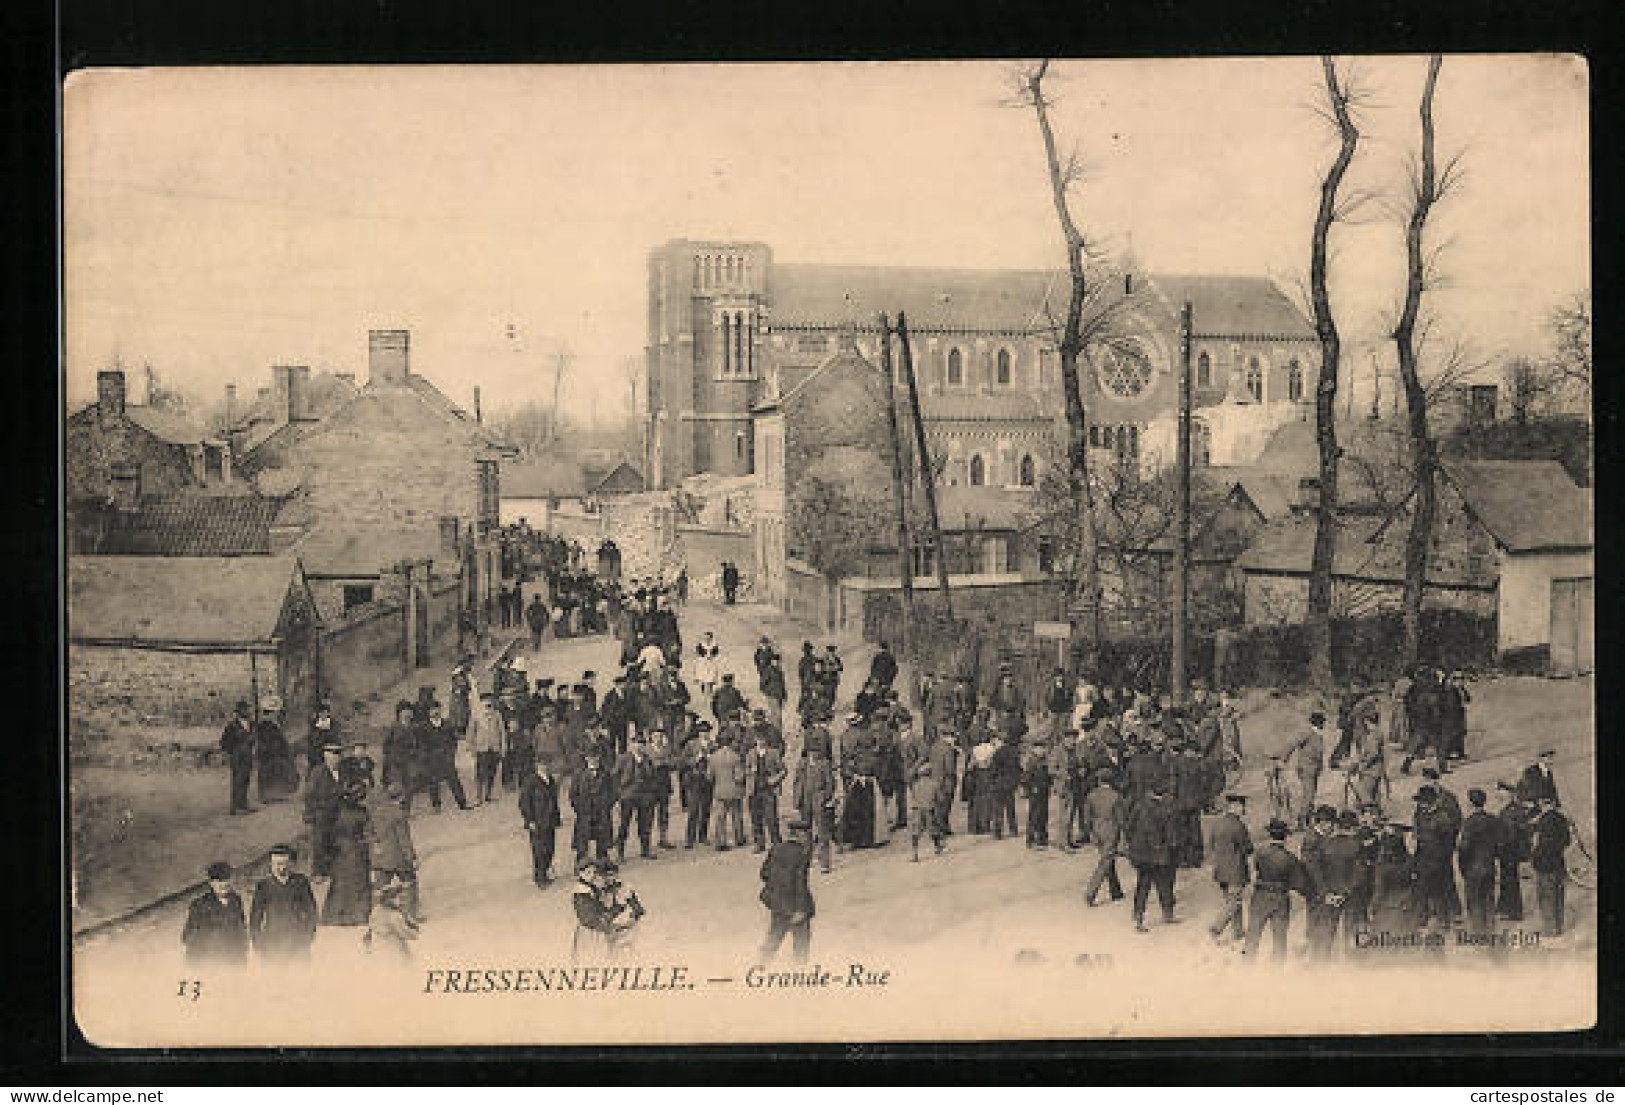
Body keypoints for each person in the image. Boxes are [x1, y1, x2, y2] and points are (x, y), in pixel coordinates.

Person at [1243, 819, 1313, 962]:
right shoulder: (1290, 858)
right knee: (1280, 938)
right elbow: (1299, 883)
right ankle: (1277, 970)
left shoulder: (1260, 853)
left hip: (1260, 896)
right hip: (1280, 899)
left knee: (1253, 934)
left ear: (1270, 835)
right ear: (1285, 837)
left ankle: (1247, 965)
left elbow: (1257, 869)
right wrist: (1309, 892)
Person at [248, 843, 319, 966]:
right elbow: (255, 918)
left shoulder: (300, 882)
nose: (281, 868)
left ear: (290, 863)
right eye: (277, 864)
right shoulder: (263, 886)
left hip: (298, 942)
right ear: (271, 863)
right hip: (272, 942)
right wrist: (258, 943)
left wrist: (308, 935)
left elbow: (311, 911)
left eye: (284, 864)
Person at [1124, 780, 1179, 932]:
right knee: (1164, 884)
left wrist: (1133, 844)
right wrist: (1173, 847)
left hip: (1140, 854)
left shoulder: (1138, 806)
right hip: (1158, 854)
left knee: (1142, 885)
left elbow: (1128, 828)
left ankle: (1138, 916)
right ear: (1163, 794)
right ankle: (1168, 914)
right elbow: (1171, 836)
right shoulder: (1165, 810)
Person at [757, 819, 815, 964]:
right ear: (800, 834)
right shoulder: (801, 854)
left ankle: (761, 966)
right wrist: (801, 909)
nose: (808, 838)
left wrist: (778, 886)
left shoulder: (776, 848)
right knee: (802, 943)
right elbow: (800, 883)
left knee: (773, 938)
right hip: (795, 905)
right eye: (807, 835)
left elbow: (764, 873)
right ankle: (800, 974)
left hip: (777, 903)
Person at [367, 781, 422, 925]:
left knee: (379, 887)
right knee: (410, 883)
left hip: (380, 857)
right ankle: (411, 915)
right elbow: (404, 839)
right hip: (398, 858)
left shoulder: (376, 812)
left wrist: (376, 847)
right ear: (402, 797)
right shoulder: (399, 814)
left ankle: (374, 916)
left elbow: (369, 833)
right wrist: (411, 857)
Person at [322, 784, 374, 926]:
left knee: (339, 883)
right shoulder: (362, 813)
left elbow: (327, 833)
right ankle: (358, 915)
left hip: (339, 851)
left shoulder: (337, 811)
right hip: (356, 850)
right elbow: (369, 833)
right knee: (359, 882)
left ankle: (335, 916)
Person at [1456, 787, 1505, 936]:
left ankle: (1478, 933)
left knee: (1474, 901)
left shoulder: (1469, 824)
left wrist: (1463, 868)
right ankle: (1490, 930)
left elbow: (1464, 849)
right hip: (1489, 865)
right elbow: (1501, 842)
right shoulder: (1493, 820)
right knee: (1489, 899)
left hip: (1473, 869)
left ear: (1471, 804)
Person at [571, 861, 644, 961]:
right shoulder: (590, 892)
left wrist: (633, 916)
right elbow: (594, 918)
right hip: (597, 931)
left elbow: (638, 909)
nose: (610, 879)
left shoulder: (622, 888)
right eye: (606, 876)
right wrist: (617, 908)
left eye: (613, 875)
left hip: (615, 929)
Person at [182, 862, 249, 968]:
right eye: (219, 881)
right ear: (211, 883)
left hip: (234, 962)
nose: (223, 884)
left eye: (226, 880)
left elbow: (241, 930)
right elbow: (187, 937)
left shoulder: (236, 900)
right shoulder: (199, 905)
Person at [1207, 794, 1253, 946]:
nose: (1244, 809)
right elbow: (1247, 848)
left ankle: (1238, 932)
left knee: (1231, 900)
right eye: (1242, 807)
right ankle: (1216, 928)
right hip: (1235, 870)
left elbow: (1211, 845)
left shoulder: (1217, 823)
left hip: (1220, 870)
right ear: (1235, 807)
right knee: (1234, 903)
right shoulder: (1238, 826)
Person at [614, 737, 662, 862]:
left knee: (645, 824)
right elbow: (614, 776)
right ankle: (620, 853)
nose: (639, 746)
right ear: (631, 745)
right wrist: (619, 793)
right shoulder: (623, 758)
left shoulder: (647, 759)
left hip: (645, 796)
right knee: (624, 824)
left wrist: (652, 792)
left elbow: (654, 777)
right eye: (636, 743)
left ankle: (645, 850)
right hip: (628, 796)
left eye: (641, 744)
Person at [1530, 795, 1571, 937]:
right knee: (1558, 896)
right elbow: (1567, 842)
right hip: (1559, 862)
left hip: (1545, 863)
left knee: (1546, 896)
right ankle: (1558, 927)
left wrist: (1534, 858)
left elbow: (1541, 845)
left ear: (1543, 803)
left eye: (1541, 802)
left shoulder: (1543, 820)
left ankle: (1549, 929)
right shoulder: (1561, 818)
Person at [420, 700, 471, 812]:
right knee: (433, 783)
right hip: (432, 758)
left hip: (447, 757)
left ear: (440, 710)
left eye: (437, 709)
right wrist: (427, 756)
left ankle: (462, 803)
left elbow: (454, 740)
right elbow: (422, 744)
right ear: (428, 712)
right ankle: (436, 805)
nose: (435, 712)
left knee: (454, 780)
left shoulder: (447, 724)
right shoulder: (424, 727)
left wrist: (451, 753)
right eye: (432, 710)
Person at [303, 740, 344, 877]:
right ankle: (318, 872)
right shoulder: (318, 772)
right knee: (319, 843)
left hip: (338, 813)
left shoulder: (342, 771)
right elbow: (309, 795)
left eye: (337, 756)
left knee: (334, 840)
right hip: (321, 813)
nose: (335, 759)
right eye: (332, 756)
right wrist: (310, 813)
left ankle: (332, 869)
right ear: (326, 757)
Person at [520, 757, 563, 887]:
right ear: (537, 765)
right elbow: (524, 803)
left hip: (550, 821)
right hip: (537, 822)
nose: (545, 767)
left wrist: (556, 817)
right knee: (539, 850)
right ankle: (540, 878)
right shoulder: (530, 782)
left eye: (547, 764)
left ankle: (545, 872)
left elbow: (554, 801)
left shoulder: (551, 780)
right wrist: (530, 820)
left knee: (550, 848)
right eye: (542, 764)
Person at [571, 749, 618, 867]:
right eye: (591, 757)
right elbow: (573, 794)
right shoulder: (579, 774)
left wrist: (607, 805)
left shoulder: (605, 773)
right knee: (582, 839)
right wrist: (579, 808)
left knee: (602, 837)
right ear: (586, 758)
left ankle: (602, 861)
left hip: (601, 812)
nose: (594, 760)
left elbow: (613, 792)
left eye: (596, 757)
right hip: (585, 812)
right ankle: (581, 863)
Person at [745, 728, 787, 852]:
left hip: (769, 790)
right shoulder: (750, 754)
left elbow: (783, 770)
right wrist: (750, 772)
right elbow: (745, 770)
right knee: (756, 818)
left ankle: (776, 842)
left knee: (771, 817)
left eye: (762, 740)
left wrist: (775, 779)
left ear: (766, 741)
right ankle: (759, 843)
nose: (760, 742)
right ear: (755, 740)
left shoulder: (774, 753)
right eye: (758, 740)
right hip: (754, 790)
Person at [1496, 783, 1533, 922]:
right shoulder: (1510, 809)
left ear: (1509, 795)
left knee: (1510, 881)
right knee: (1507, 880)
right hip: (1509, 851)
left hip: (1510, 851)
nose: (1498, 795)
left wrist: (1499, 845)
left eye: (1501, 793)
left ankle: (1514, 912)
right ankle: (1505, 908)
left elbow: (1512, 835)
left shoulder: (1511, 811)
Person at [364, 874, 420, 964]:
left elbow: (370, 929)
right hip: (392, 948)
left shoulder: (376, 910)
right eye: (399, 898)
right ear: (390, 899)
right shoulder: (394, 915)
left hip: (377, 946)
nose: (402, 901)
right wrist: (415, 932)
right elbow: (405, 932)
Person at [709, 735, 747, 850]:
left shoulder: (713, 757)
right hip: (734, 791)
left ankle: (721, 842)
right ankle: (739, 839)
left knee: (720, 817)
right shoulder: (735, 757)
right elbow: (739, 777)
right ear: (731, 743)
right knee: (736, 816)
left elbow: (710, 776)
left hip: (720, 790)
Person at [680, 725, 715, 848]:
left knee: (706, 809)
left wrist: (712, 759)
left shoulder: (713, 745)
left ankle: (702, 836)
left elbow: (716, 762)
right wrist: (695, 759)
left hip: (708, 781)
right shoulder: (691, 744)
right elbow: (683, 761)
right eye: (702, 732)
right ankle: (689, 839)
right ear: (698, 733)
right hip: (694, 780)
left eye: (706, 732)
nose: (704, 734)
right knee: (693, 810)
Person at [220, 701, 256, 815]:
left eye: (248, 709)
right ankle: (235, 807)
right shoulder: (232, 726)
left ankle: (243, 805)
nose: (247, 711)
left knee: (246, 780)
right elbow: (223, 742)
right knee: (237, 781)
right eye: (245, 709)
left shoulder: (252, 724)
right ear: (239, 712)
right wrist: (232, 752)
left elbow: (254, 739)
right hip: (237, 757)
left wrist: (251, 745)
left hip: (248, 756)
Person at [470, 690, 504, 804]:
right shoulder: (476, 715)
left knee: (492, 772)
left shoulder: (497, 714)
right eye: (485, 700)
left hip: (494, 748)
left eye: (490, 701)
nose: (488, 703)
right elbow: (470, 733)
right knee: (480, 773)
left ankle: (488, 795)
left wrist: (503, 747)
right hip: (482, 749)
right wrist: (472, 748)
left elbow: (502, 732)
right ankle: (478, 797)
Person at [694, 632, 721, 699]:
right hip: (703, 662)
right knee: (703, 676)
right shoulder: (701, 645)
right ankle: (703, 691)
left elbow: (716, 652)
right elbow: (698, 653)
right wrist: (704, 656)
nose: (707, 639)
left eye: (708, 638)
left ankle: (711, 690)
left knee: (711, 676)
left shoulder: (714, 645)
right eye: (706, 638)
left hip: (711, 662)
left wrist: (711, 656)